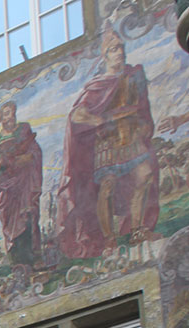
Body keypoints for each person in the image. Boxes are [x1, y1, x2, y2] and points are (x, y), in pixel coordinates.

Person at [58, 24, 160, 257]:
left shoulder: (133, 76)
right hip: (108, 142)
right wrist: (103, 119)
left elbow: (143, 107)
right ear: (105, 55)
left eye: (121, 48)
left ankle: (137, 230)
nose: (120, 52)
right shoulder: (98, 85)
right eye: (114, 49)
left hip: (131, 135)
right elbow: (77, 115)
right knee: (107, 187)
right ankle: (109, 239)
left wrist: (143, 124)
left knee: (144, 176)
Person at [0, 101, 43, 281]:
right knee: (10, 225)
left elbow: (35, 152)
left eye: (12, 113)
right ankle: (17, 263)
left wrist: (24, 159)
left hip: (24, 182)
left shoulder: (24, 131)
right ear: (1, 119)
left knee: (28, 216)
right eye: (7, 114)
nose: (11, 117)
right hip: (6, 189)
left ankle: (33, 260)